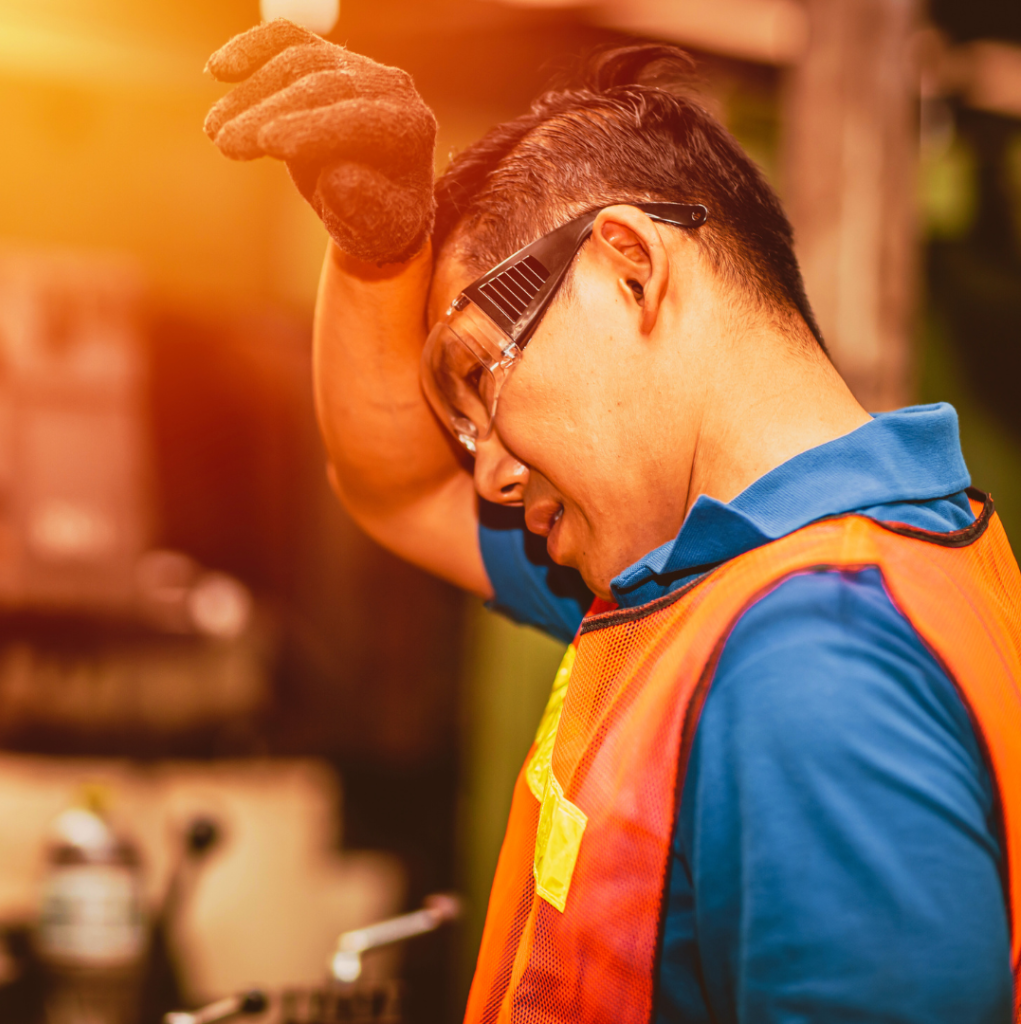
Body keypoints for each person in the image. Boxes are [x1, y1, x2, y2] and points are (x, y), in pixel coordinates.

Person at [203, 21, 1021, 1023]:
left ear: (630, 266)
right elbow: (398, 490)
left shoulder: (810, 659)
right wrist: (379, 253)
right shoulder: (724, 585)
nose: (493, 475)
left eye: (479, 376)